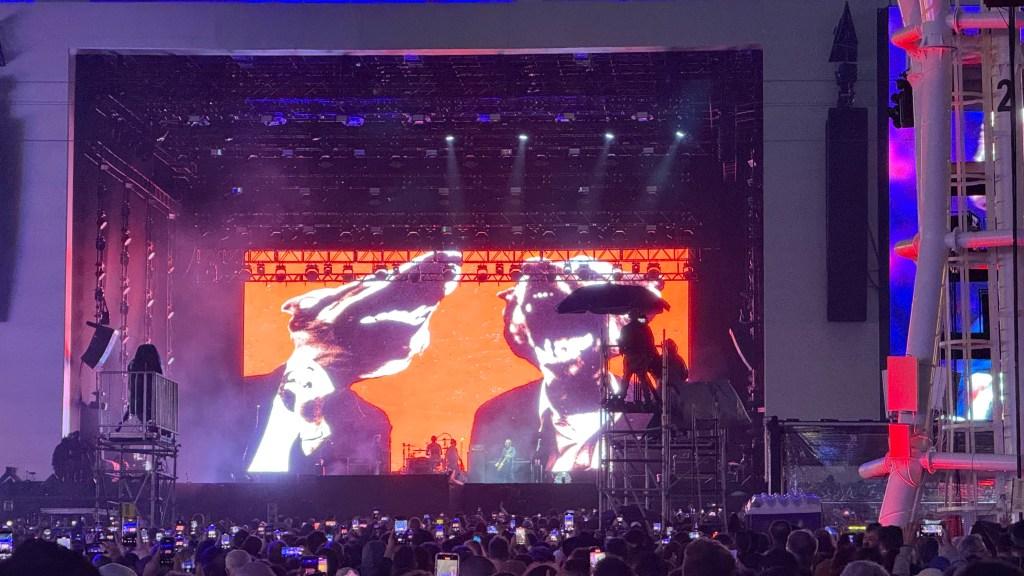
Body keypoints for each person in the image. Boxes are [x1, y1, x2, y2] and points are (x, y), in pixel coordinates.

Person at [246, 251, 462, 474]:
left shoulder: (371, 421)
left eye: (425, 313)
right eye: (381, 276)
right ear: (305, 307)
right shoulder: (238, 393)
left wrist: (313, 430)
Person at [617, 308, 660, 406]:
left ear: (630, 316)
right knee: (643, 379)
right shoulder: (645, 328)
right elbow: (650, 343)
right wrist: (650, 355)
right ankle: (648, 400)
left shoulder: (625, 329)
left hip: (629, 357)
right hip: (641, 358)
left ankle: (621, 398)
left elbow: (621, 343)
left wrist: (623, 350)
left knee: (626, 379)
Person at [126, 343, 163, 426]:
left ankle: (146, 423)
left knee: (142, 409)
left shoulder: (134, 364)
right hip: (144, 395)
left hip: (140, 395)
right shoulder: (154, 365)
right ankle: (148, 423)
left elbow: (131, 383)